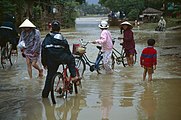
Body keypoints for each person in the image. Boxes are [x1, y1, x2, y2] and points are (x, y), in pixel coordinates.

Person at [41, 20, 80, 98]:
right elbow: (67, 49)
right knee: (71, 58)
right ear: (59, 29)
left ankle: (45, 96)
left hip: (50, 60)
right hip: (61, 57)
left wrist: (44, 63)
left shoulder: (47, 38)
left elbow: (43, 51)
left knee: (49, 77)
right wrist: (69, 55)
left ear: (51, 28)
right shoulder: (61, 37)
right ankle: (74, 76)